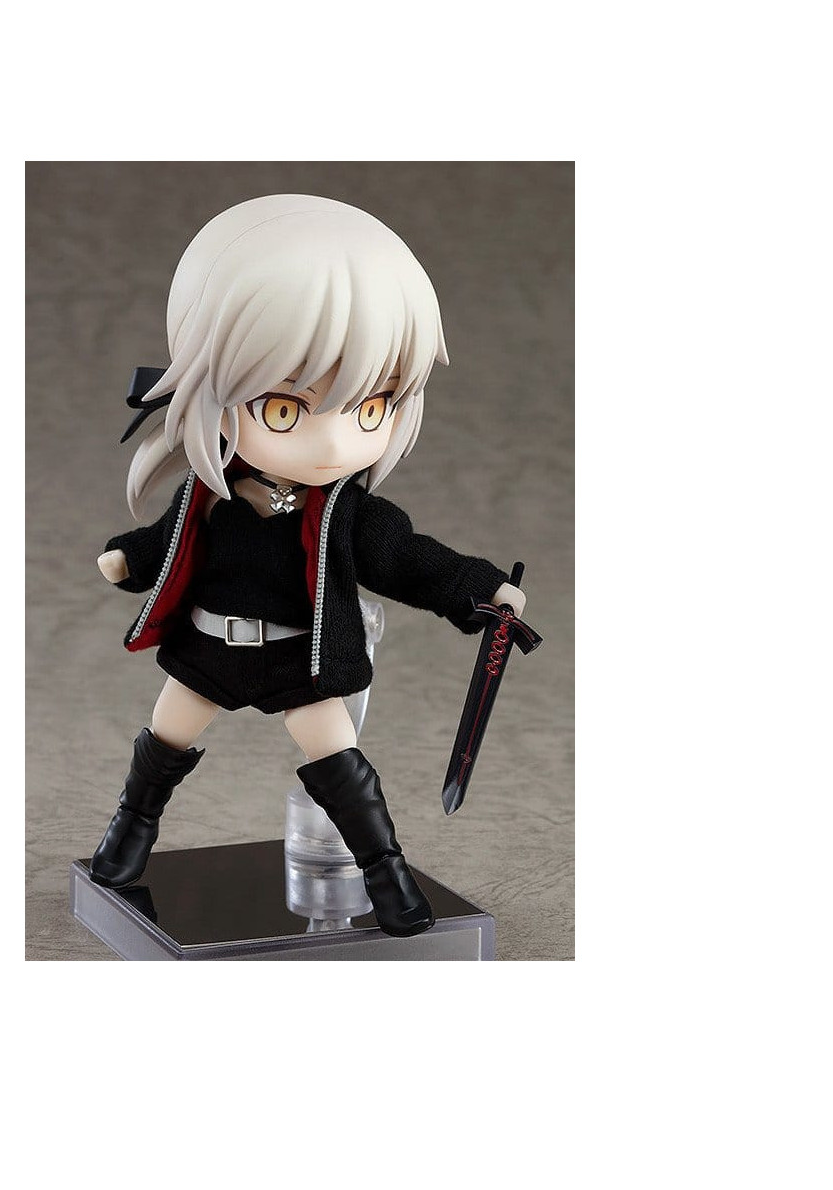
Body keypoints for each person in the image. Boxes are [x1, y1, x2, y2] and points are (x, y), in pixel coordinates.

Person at [90, 194, 527, 937]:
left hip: (303, 662)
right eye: (287, 410)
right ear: (214, 392)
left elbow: (409, 560)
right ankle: (128, 837)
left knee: (340, 764)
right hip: (208, 650)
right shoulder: (211, 492)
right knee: (163, 740)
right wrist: (129, 558)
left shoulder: (348, 514)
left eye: (371, 407)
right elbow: (170, 541)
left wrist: (479, 589)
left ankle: (386, 875)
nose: (333, 444)